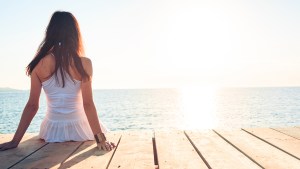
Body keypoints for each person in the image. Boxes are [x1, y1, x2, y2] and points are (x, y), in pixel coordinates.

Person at [0, 11, 116, 151]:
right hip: (82, 130)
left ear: (50, 33)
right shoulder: (84, 63)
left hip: (52, 132)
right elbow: (88, 104)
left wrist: (15, 141)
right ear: (75, 33)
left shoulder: (38, 64)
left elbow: (32, 105)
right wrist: (100, 140)